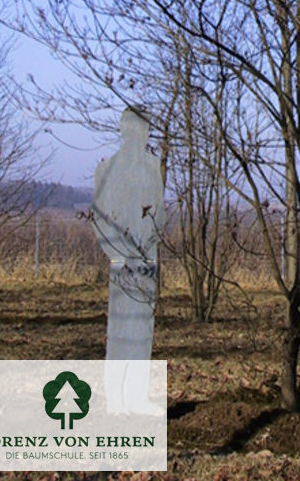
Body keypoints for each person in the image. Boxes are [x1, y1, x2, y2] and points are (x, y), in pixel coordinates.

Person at [92, 107, 165, 415]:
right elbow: (100, 218)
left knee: (142, 331)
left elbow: (159, 213)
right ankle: (116, 400)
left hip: (147, 259)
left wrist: (149, 249)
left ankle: (136, 397)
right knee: (121, 331)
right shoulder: (107, 169)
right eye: (134, 128)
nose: (139, 134)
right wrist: (118, 255)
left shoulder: (153, 167)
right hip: (121, 262)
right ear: (124, 130)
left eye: (144, 129)